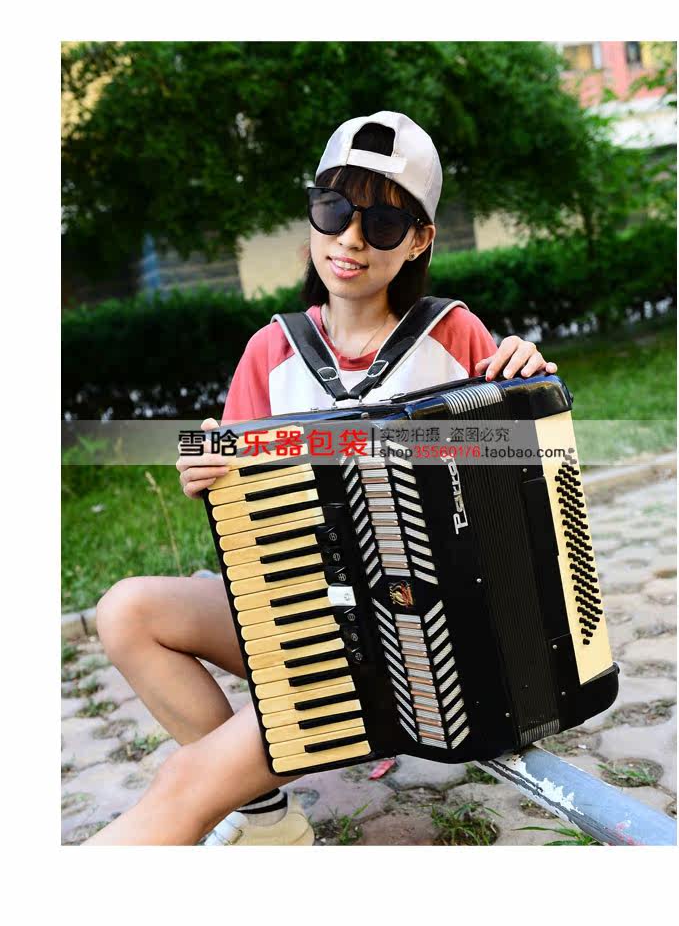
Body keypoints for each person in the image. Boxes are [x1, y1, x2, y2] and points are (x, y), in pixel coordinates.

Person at [84, 111, 557, 846]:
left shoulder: (454, 337)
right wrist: (204, 466)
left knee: (184, 783)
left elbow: (526, 484)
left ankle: (256, 795)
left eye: (384, 222)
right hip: (310, 624)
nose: (351, 239)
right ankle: (267, 818)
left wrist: (527, 387)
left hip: (429, 657)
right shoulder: (270, 351)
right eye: (334, 210)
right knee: (125, 610)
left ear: (421, 239)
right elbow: (237, 505)